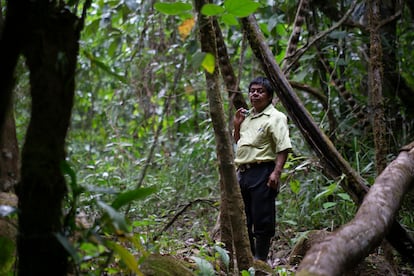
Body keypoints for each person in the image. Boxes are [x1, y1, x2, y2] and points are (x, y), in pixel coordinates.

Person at [233, 76, 292, 261]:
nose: (255, 94)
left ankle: (261, 260)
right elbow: (239, 142)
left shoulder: (276, 117)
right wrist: (236, 125)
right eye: (252, 91)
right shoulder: (247, 117)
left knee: (262, 218)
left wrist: (276, 173)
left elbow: (283, 147)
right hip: (243, 173)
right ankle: (249, 259)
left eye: (260, 91)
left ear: (269, 96)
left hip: (263, 172)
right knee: (245, 219)